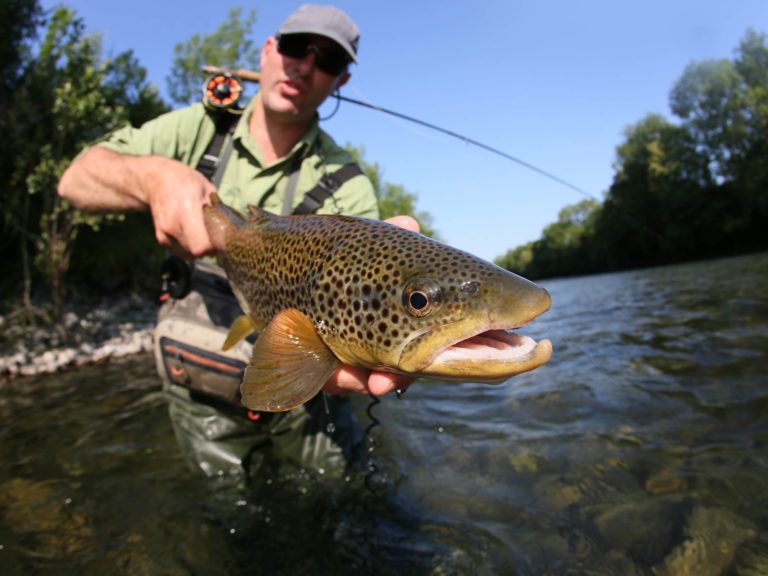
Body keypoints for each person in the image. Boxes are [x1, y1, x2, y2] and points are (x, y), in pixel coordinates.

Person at [58, 4, 415, 481]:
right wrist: (151, 175)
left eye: (327, 60)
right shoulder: (199, 130)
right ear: (270, 50)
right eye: (294, 48)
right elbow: (74, 180)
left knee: (337, 494)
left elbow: (366, 302)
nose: (305, 65)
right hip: (199, 370)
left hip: (307, 384)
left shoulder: (345, 182)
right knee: (229, 512)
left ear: (340, 82)